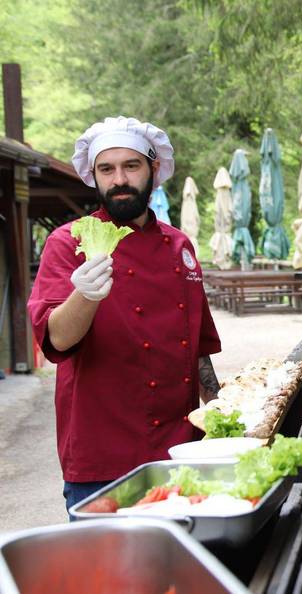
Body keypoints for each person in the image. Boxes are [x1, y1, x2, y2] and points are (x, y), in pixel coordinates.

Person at [28, 116, 223, 513]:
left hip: (181, 449)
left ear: (153, 169)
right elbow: (57, 339)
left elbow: (196, 344)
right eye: (106, 169)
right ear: (94, 175)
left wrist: (221, 414)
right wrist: (85, 295)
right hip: (103, 457)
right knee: (107, 573)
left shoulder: (179, 245)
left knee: (180, 569)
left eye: (131, 166)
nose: (119, 179)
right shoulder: (69, 242)